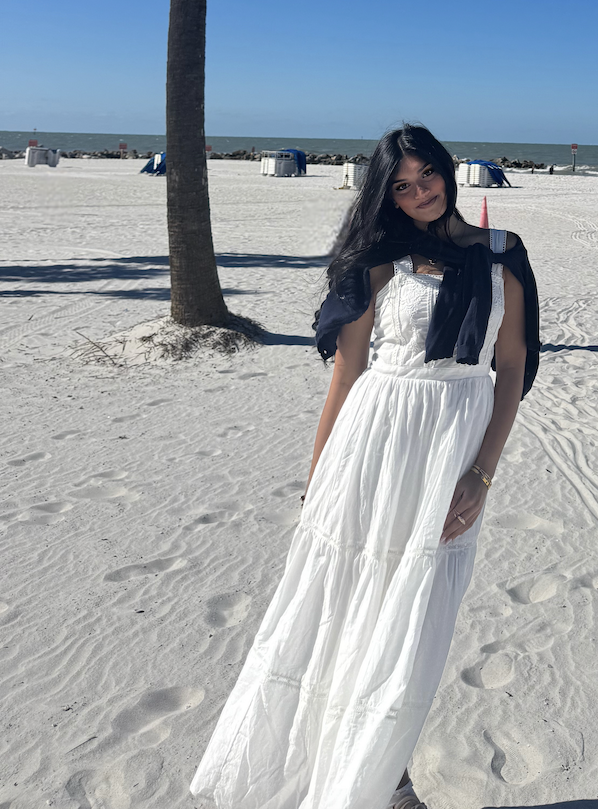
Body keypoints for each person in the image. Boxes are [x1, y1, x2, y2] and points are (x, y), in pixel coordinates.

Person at [191, 124, 540, 809]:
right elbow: (349, 372)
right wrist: (318, 477)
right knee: (348, 604)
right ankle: (380, 782)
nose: (420, 193)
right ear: (386, 195)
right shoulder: (379, 257)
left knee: (417, 614)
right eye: (402, 186)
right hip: (374, 438)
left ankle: (380, 768)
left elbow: (511, 365)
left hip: (454, 444)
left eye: (427, 175)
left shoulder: (504, 252)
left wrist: (485, 470)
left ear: (446, 168)